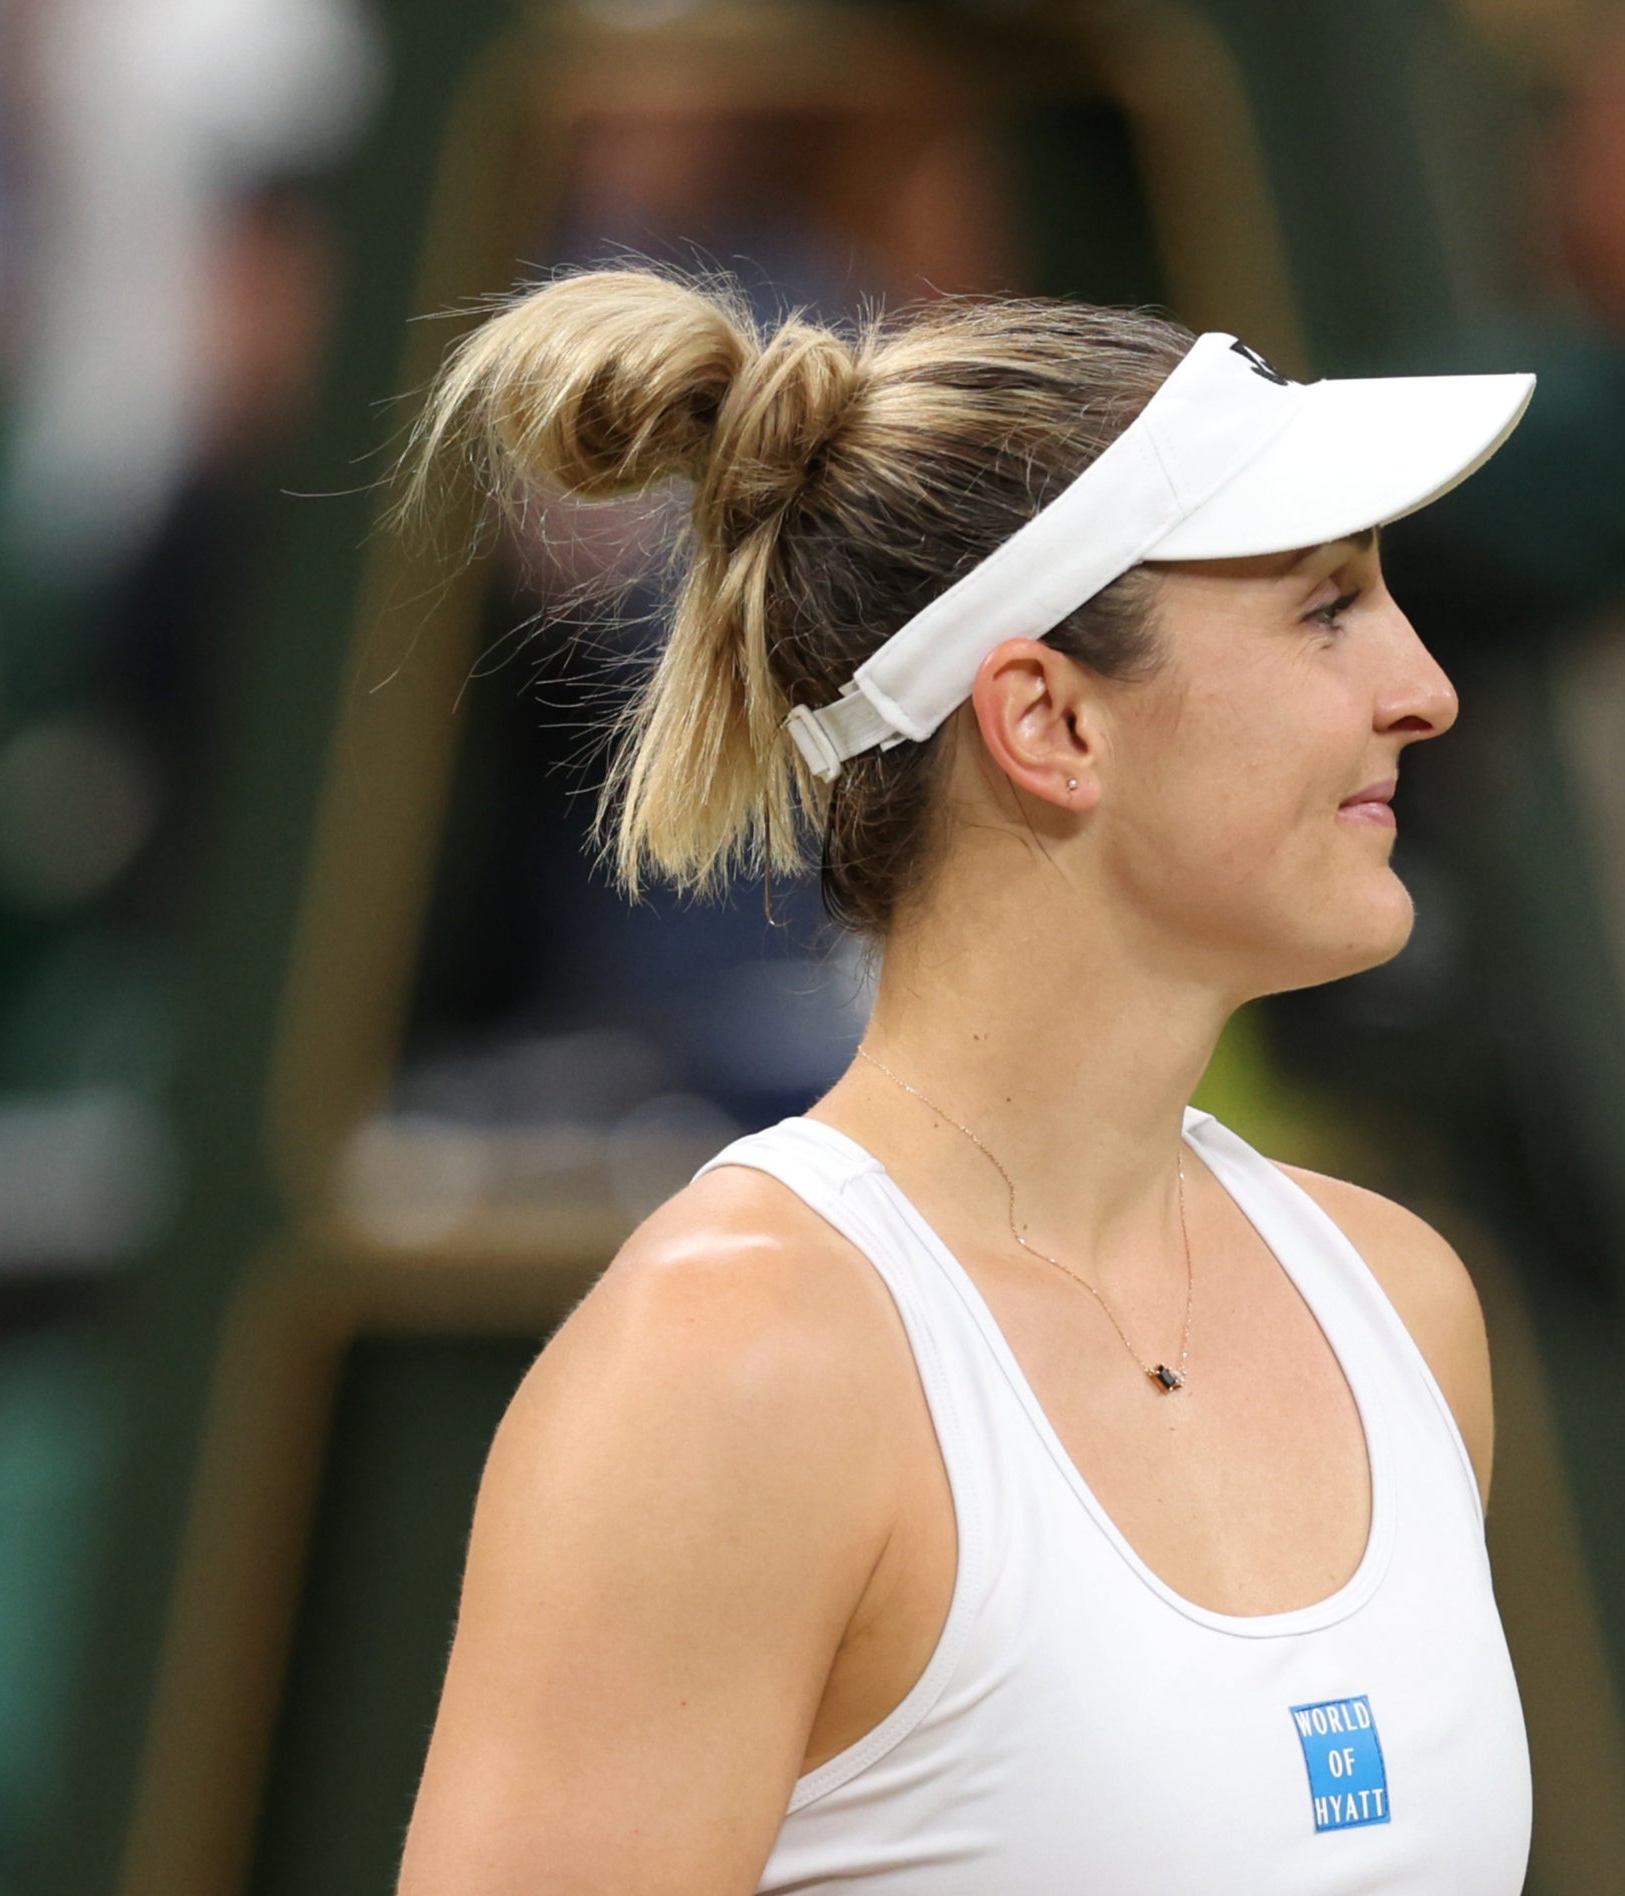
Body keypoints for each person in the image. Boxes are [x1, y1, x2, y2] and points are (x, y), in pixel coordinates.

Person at [391, 273, 1537, 1893]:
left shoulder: (1400, 1299)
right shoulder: (731, 1366)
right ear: (1050, 719)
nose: (1420, 688)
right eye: (1323, 605)